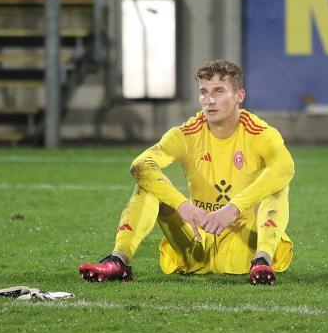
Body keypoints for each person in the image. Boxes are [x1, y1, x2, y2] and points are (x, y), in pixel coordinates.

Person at [79, 59, 295, 285]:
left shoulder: (259, 132)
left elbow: (285, 167)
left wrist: (234, 207)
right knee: (148, 183)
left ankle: (262, 260)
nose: (209, 100)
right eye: (204, 92)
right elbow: (141, 165)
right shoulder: (188, 133)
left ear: (239, 96)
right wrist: (182, 205)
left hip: (247, 244)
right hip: (197, 242)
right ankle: (119, 261)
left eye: (219, 91)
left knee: (277, 184)